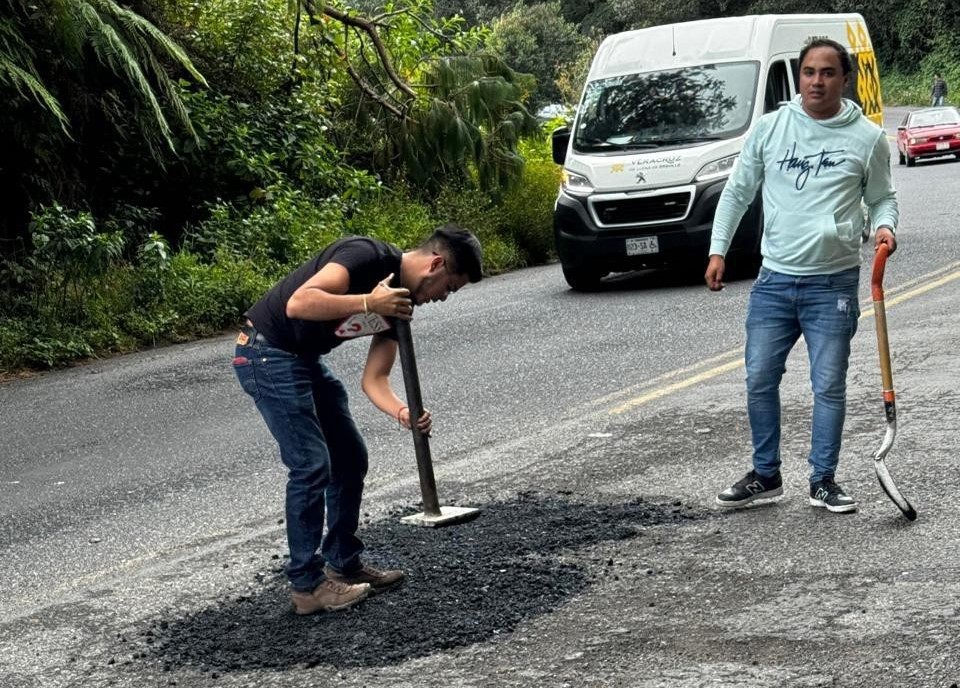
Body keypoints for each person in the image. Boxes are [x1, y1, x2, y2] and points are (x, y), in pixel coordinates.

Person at [233, 225, 483, 614]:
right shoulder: (366, 256)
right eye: (448, 288)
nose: (442, 299)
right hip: (266, 354)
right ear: (436, 264)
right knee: (311, 464)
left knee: (350, 458)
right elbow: (299, 303)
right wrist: (369, 302)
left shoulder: (400, 304)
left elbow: (375, 379)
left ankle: (344, 564)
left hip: (303, 360)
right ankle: (307, 586)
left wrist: (403, 411)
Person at [705, 38, 898, 514]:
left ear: (844, 79)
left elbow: (881, 198)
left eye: (828, 72)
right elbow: (736, 193)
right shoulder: (771, 130)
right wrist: (718, 249)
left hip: (832, 282)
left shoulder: (867, 138)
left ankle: (823, 480)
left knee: (828, 385)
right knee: (758, 379)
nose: (817, 81)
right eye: (809, 72)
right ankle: (766, 475)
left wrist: (885, 227)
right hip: (773, 281)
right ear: (799, 78)